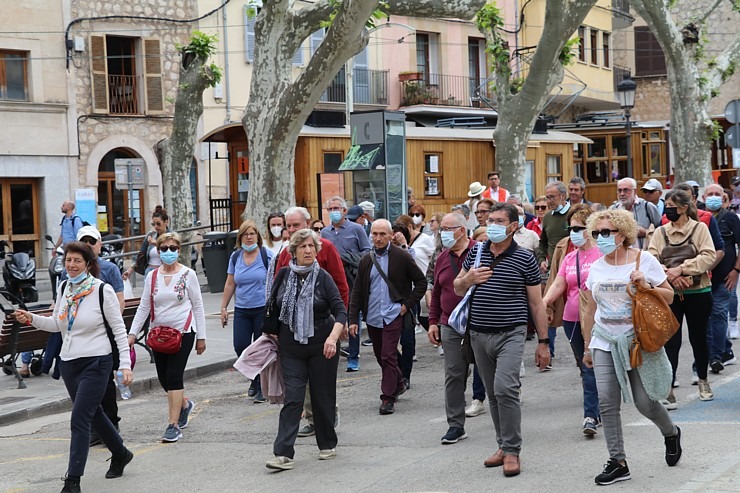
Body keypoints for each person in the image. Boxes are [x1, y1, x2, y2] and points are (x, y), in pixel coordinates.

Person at [14, 242, 134, 493]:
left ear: (88, 264)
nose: (71, 265)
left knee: (80, 418)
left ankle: (72, 481)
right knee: (94, 413)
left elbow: (119, 330)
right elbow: (57, 324)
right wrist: (31, 318)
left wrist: (124, 364)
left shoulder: (102, 291)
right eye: (68, 260)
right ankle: (120, 453)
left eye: (77, 260)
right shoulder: (64, 287)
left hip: (97, 362)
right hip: (69, 363)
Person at [582, 209, 681, 485]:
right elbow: (591, 308)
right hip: (605, 340)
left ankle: (671, 432)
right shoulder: (597, 265)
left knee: (645, 402)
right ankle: (618, 461)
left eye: (606, 232)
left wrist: (646, 285)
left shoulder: (643, 259)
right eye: (597, 233)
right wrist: (588, 346)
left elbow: (670, 297)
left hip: (638, 340)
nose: (600, 238)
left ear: (623, 234)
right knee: (607, 401)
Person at [453, 202, 550, 477]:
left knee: (506, 388)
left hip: (511, 333)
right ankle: (502, 445)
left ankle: (512, 451)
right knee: (494, 394)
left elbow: (536, 303)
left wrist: (544, 342)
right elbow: (457, 287)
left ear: (513, 226)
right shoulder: (477, 251)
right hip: (478, 334)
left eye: (498, 221)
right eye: (489, 220)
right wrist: (469, 278)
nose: (491, 224)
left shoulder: (524, 258)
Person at [263, 229, 347, 471]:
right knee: (294, 398)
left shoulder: (324, 278)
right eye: (302, 247)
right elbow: (272, 306)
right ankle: (282, 454)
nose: (308, 250)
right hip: (290, 347)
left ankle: (327, 443)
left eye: (311, 246)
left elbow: (340, 309)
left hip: (323, 345)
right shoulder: (283, 275)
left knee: (322, 397)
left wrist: (333, 337)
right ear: (294, 251)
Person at [276, 206, 348, 437]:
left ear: (307, 223)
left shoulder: (325, 248)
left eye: (296, 225)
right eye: (289, 225)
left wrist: (342, 321)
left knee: (321, 381)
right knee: (299, 381)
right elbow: (278, 286)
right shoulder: (287, 252)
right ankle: (311, 417)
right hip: (294, 330)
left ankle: (326, 415)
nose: (291, 229)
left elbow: (340, 284)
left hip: (322, 324)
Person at [128, 232, 207, 443]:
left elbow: (198, 305)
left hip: (183, 332)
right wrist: (132, 334)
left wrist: (202, 336)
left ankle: (172, 425)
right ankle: (184, 404)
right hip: (159, 335)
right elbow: (144, 306)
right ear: (158, 251)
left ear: (179, 250)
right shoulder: (152, 276)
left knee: (174, 375)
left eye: (173, 248)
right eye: (164, 249)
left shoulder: (188, 274)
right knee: (164, 379)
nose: (169, 252)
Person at [348, 219, 426, 415]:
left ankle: (387, 398)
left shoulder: (402, 256)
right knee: (380, 355)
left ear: (391, 235)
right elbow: (357, 292)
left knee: (388, 354)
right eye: (374, 234)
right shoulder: (366, 259)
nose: (378, 238)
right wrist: (352, 320)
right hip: (373, 316)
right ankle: (399, 382)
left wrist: (406, 305)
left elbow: (421, 282)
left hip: (393, 315)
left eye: (383, 234)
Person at [648, 189, 716, 406]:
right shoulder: (660, 232)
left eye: (672, 206)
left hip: (698, 292)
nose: (668, 210)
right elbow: (651, 259)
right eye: (666, 205)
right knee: (670, 341)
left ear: (685, 207)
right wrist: (671, 274)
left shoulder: (700, 228)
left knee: (699, 337)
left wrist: (683, 270)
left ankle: (703, 380)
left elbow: (709, 256)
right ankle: (668, 387)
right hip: (670, 294)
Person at [542, 204, 601, 436]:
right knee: (584, 365)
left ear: (590, 228)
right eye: (571, 227)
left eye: (578, 227)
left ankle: (591, 415)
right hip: (571, 319)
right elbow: (559, 283)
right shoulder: (570, 257)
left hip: (598, 320)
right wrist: (543, 303)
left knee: (592, 365)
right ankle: (596, 409)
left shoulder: (602, 253)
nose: (573, 232)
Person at [428, 212, 478, 444]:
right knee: (454, 375)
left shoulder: (480, 251)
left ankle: (505, 419)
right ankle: (456, 425)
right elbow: (437, 294)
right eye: (442, 230)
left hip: (481, 323)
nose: (443, 234)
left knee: (491, 375)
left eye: (448, 229)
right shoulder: (441, 258)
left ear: (462, 230)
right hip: (450, 324)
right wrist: (432, 322)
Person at [220, 220, 274, 402]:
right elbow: (230, 283)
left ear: (258, 236)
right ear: (240, 238)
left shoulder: (267, 255)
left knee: (260, 348)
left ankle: (260, 386)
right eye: (245, 234)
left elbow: (276, 280)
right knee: (240, 346)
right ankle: (255, 378)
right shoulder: (235, 257)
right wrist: (223, 308)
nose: (249, 237)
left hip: (262, 309)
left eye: (252, 234)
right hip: (242, 310)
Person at [320, 197, 371, 373]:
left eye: (337, 208)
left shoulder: (356, 229)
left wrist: (350, 257)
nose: (333, 211)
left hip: (352, 278)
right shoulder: (325, 233)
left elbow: (367, 252)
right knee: (333, 317)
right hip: (331, 280)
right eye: (330, 208)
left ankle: (353, 356)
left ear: (344, 210)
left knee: (352, 317)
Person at [393, 213, 436, 387]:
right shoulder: (381, 252)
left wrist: (403, 244)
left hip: (409, 299)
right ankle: (396, 371)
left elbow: (411, 263)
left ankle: (405, 375)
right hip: (387, 301)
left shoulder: (409, 249)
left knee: (407, 339)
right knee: (386, 343)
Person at [703, 184, 740, 374]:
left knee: (718, 313)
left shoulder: (731, 218)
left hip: (725, 279)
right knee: (708, 317)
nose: (714, 197)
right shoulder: (699, 218)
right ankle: (725, 350)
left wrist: (736, 271)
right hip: (702, 278)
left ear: (724, 197)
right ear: (703, 197)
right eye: (710, 194)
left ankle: (715, 357)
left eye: (717, 194)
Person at [537, 181, 572, 359]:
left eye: (552, 197)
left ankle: (581, 353)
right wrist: (542, 259)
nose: (548, 201)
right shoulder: (548, 217)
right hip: (554, 271)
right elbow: (542, 243)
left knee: (573, 312)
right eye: (547, 197)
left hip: (574, 270)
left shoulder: (573, 215)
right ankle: (548, 353)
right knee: (547, 308)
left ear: (563, 196)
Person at [609, 178, 661, 249]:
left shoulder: (647, 207)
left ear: (635, 191)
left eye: (626, 190)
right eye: (619, 190)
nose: (622, 194)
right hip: (621, 255)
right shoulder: (613, 210)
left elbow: (662, 232)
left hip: (644, 255)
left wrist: (646, 233)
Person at [122, 205, 170, 280]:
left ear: (166, 222)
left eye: (158, 224)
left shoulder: (172, 237)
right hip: (149, 272)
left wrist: (157, 244)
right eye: (153, 224)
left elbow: (171, 254)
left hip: (164, 273)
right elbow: (141, 253)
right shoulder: (151, 235)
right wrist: (130, 270)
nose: (156, 227)